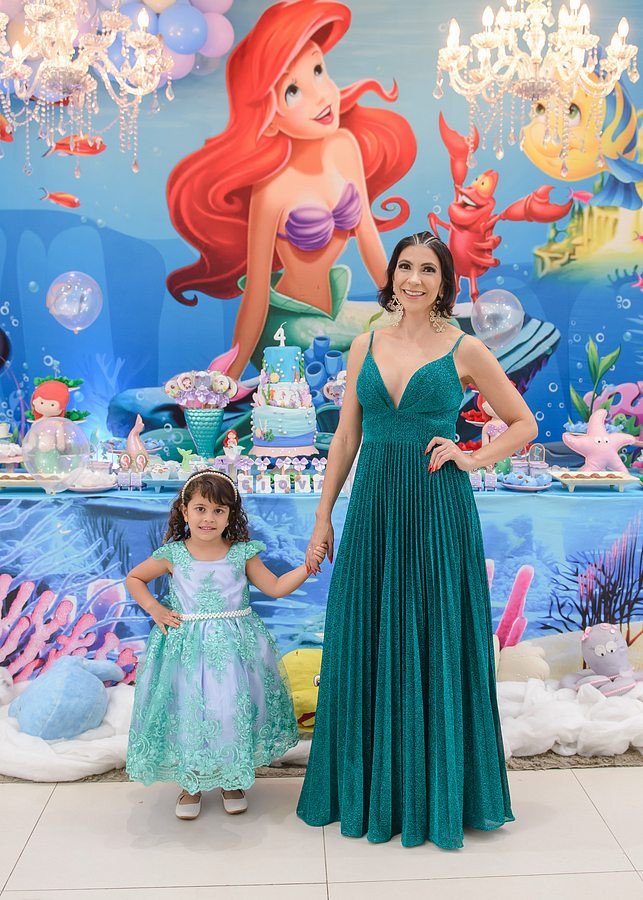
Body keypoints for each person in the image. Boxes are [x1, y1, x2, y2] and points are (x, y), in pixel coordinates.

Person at [297, 231, 538, 848]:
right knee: (367, 632)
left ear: (444, 282)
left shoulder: (466, 347)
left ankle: (439, 792)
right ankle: (370, 790)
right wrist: (323, 516)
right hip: (374, 508)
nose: (414, 278)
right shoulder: (365, 344)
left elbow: (523, 424)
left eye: (428, 269)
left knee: (434, 636)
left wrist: (471, 457)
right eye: (405, 266)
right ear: (392, 277)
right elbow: (345, 439)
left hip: (436, 510)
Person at [166, 0, 416, 378]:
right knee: (372, 351)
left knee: (419, 332)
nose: (321, 95)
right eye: (293, 91)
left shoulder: (344, 146)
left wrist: (403, 311)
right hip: (287, 328)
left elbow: (370, 245)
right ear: (269, 118)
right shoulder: (271, 188)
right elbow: (256, 295)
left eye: (318, 70)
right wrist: (229, 381)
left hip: (333, 311)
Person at [125, 469, 324, 820]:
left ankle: (231, 779)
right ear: (185, 511)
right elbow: (135, 578)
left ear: (231, 514)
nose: (209, 518)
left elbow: (275, 586)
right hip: (187, 650)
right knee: (190, 711)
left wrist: (307, 567)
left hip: (235, 651)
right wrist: (156, 609)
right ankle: (191, 783)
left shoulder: (241, 553)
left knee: (229, 711)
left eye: (219, 510)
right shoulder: (173, 554)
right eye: (201, 509)